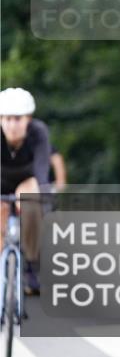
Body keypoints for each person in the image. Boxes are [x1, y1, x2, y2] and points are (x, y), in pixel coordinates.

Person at [0, 87, 52, 295]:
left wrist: (44, 194)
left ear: (28, 119)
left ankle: (31, 264)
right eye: (8, 119)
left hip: (26, 180)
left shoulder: (39, 132)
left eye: (18, 119)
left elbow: (41, 168)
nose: (13, 125)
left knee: (31, 200)